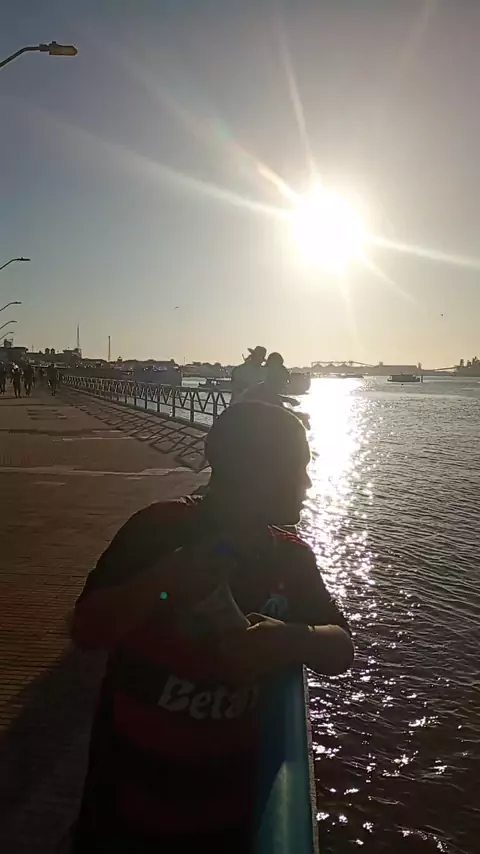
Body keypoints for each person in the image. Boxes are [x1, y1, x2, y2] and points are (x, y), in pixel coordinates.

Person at [71, 402, 353, 853]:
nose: (306, 483)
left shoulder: (292, 558)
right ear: (250, 469)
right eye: (295, 468)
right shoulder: (157, 530)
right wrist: (165, 580)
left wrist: (293, 639)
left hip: (226, 816)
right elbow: (86, 630)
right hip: (120, 808)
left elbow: (341, 648)